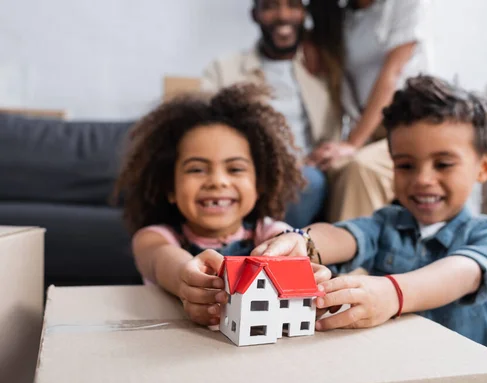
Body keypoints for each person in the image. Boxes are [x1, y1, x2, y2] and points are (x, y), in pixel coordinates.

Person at [253, 75, 487, 355]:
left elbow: (463, 273)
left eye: (443, 164)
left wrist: (393, 294)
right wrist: (303, 241)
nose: (423, 179)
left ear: (484, 167)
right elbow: (345, 235)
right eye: (405, 165)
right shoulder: (386, 223)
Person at [114, 84, 331, 326]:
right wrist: (185, 277)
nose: (217, 181)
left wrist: (306, 274)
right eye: (196, 169)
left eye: (235, 169)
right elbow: (161, 259)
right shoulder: (154, 238)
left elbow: (291, 245)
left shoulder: (269, 234)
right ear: (170, 188)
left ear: (259, 185)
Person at [200, 0, 342, 227]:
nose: (282, 15)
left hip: (306, 170)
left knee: (309, 181)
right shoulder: (224, 69)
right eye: (270, 7)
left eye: (293, 5)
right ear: (254, 14)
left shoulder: (323, 68)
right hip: (251, 168)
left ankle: (275, 247)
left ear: (304, 12)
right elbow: (204, 130)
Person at [306, 0, 432, 221]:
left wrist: (352, 143)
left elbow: (392, 74)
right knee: (331, 169)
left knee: (360, 168)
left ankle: (348, 253)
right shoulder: (344, 19)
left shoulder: (405, 5)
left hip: (412, 126)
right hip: (369, 130)